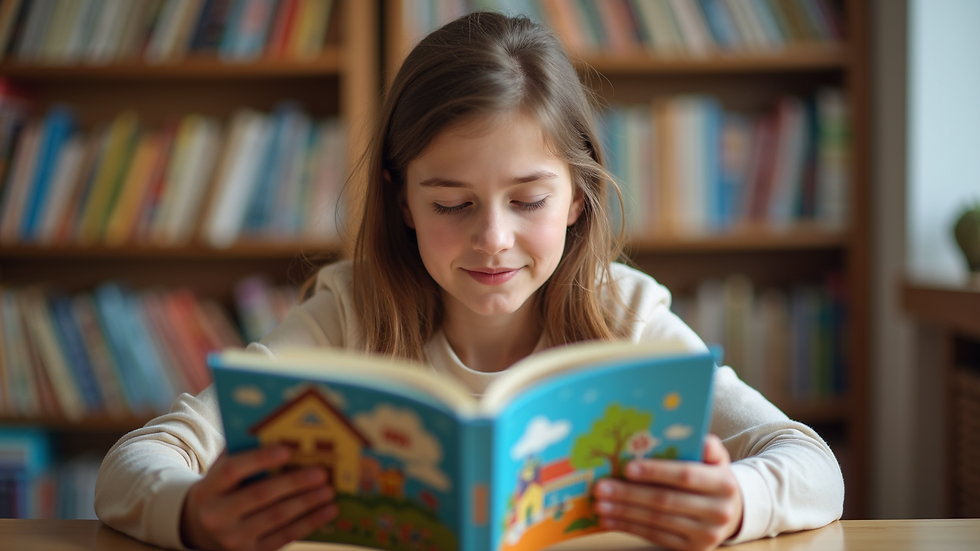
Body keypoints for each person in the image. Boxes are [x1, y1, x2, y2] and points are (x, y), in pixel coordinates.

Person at [94, 11, 844, 551]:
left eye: (528, 200)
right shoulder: (348, 314)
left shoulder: (625, 314)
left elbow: (811, 463)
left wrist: (739, 501)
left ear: (578, 196)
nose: (493, 237)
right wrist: (193, 514)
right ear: (402, 200)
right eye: (452, 203)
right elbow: (131, 466)